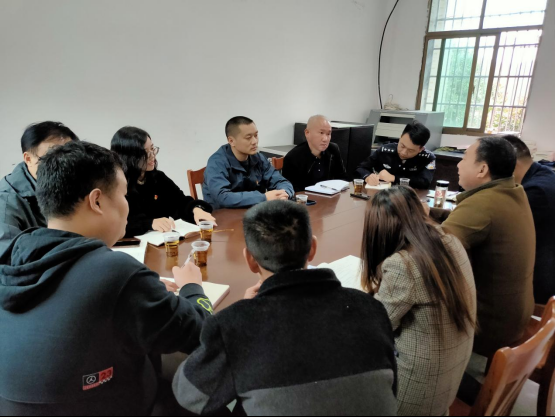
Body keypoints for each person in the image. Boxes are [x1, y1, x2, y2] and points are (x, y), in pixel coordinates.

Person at [0, 141, 212, 415]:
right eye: (124, 196)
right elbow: (204, 333)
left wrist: (140, 293)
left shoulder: (13, 255)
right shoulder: (117, 273)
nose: (127, 206)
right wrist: (192, 287)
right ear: (96, 201)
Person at [173, 200, 398, 416]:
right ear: (313, 248)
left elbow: (188, 394)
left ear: (250, 260)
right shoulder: (373, 309)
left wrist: (233, 315)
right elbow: (391, 389)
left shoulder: (234, 325)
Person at [362, 186, 476, 416]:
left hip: (413, 398)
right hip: (447, 381)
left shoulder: (403, 265)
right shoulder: (450, 241)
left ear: (378, 231)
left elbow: (374, 330)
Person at [430, 137, 535, 357]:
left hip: (487, 328)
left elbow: (433, 250)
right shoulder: (513, 191)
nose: (458, 165)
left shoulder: (481, 204)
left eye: (464, 158)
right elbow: (475, 222)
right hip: (514, 316)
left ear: (482, 169)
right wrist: (432, 213)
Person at [111, 126, 215, 237]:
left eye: (152, 149)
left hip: (163, 241)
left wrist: (195, 209)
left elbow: (179, 201)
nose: (152, 156)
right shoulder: (116, 185)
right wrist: (150, 223)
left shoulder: (157, 177)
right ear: (128, 157)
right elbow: (115, 224)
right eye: (145, 153)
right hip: (134, 245)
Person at [0, 121, 79, 253]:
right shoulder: (6, 201)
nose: (64, 165)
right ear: (28, 159)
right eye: (52, 157)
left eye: (69, 158)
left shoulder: (76, 184)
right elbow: (9, 257)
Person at [504, 135, 555, 305]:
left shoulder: (536, 191)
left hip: (539, 280)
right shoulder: (542, 174)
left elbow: (504, 230)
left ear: (512, 165)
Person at [203, 117, 295, 210]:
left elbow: (281, 181)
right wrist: (264, 197)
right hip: (223, 215)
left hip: (255, 212)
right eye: (248, 137)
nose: (255, 141)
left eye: (256, 135)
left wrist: (284, 193)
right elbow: (223, 197)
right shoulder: (217, 163)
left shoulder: (259, 158)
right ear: (231, 141)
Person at [356, 121, 436, 189]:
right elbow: (361, 168)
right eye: (402, 146)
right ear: (400, 137)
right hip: (383, 196)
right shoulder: (385, 150)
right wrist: (367, 177)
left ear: (421, 149)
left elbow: (425, 182)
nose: (404, 152)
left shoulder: (428, 158)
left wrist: (394, 178)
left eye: (410, 150)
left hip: (411, 197)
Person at [282, 115, 347, 192]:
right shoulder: (293, 157)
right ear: (307, 133)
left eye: (328, 134)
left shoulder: (333, 150)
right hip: (305, 198)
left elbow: (342, 179)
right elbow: (291, 190)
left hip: (330, 196)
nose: (325, 139)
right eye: (321, 133)